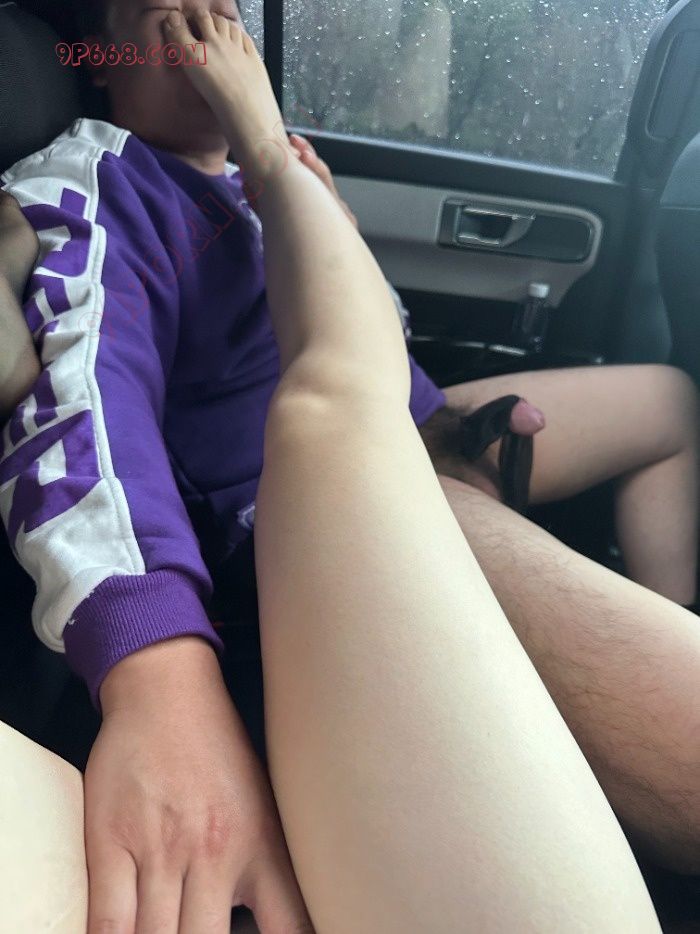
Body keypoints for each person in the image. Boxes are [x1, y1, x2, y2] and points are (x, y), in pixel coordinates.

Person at [0, 1, 699, 928]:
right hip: (315, 505)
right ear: (102, 60)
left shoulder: (261, 178)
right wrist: (152, 655)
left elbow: (374, 336)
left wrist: (308, 203)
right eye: (170, 17)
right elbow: (88, 407)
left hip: (414, 429)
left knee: (670, 401)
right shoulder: (100, 179)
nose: (209, 34)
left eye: (225, 14)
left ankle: (648, 624)